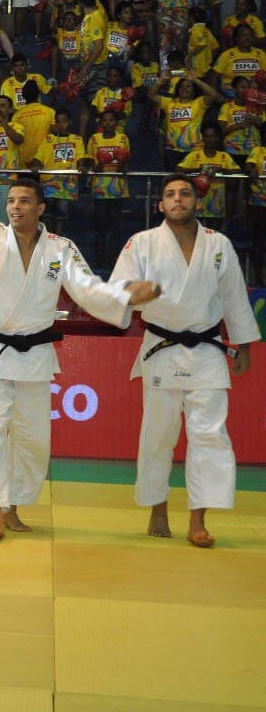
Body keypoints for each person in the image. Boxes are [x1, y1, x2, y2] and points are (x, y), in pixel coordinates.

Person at [0, 177, 159, 538]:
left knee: (32, 440)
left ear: (40, 209)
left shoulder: (60, 249)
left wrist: (126, 296)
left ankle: (13, 508)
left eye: (24, 201)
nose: (15, 207)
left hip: (35, 356)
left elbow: (86, 288)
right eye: (12, 201)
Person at [109, 174, 258, 547]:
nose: (178, 200)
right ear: (160, 204)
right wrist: (135, 294)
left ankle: (198, 519)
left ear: (197, 203)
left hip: (208, 349)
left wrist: (244, 345)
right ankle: (158, 508)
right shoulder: (141, 243)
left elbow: (235, 296)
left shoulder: (218, 244)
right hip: (162, 347)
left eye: (185, 194)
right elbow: (117, 290)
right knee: (159, 435)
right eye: (170, 195)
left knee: (209, 434)